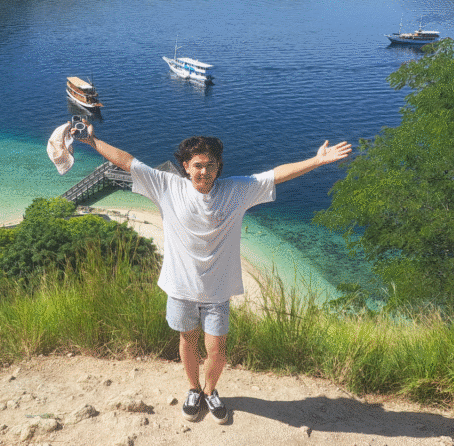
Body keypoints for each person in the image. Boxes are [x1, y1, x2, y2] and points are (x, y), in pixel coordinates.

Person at [78, 126, 351, 424]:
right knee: (187, 341)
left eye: (210, 165)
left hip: (218, 291)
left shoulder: (236, 190)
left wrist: (316, 161)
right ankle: (193, 389)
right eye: (197, 165)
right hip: (180, 287)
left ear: (219, 166)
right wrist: (92, 141)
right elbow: (128, 161)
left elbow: (276, 174)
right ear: (185, 166)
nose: (204, 172)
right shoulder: (167, 186)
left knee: (217, 351)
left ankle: (210, 390)